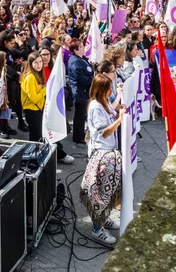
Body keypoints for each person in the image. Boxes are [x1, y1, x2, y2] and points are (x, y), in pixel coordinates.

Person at [81, 74, 124, 245]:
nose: (111, 91)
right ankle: (97, 229)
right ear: (102, 90)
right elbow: (104, 131)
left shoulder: (103, 103)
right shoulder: (95, 107)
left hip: (109, 154)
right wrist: (119, 121)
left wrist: (119, 107)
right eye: (109, 89)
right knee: (100, 193)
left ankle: (103, 218)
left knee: (109, 191)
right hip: (101, 156)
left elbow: (111, 113)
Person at [68, 39, 94, 144]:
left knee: (82, 114)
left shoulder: (81, 58)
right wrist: (92, 79)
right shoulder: (75, 61)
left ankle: (80, 133)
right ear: (75, 50)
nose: (84, 49)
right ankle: (78, 136)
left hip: (85, 90)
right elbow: (80, 77)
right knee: (79, 114)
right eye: (81, 47)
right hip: (80, 91)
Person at [20, 52, 45, 142]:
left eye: (40, 62)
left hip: (36, 109)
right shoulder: (30, 77)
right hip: (32, 110)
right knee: (37, 137)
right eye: (36, 62)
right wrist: (45, 90)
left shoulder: (36, 74)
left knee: (36, 136)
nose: (39, 65)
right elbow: (34, 98)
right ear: (30, 64)